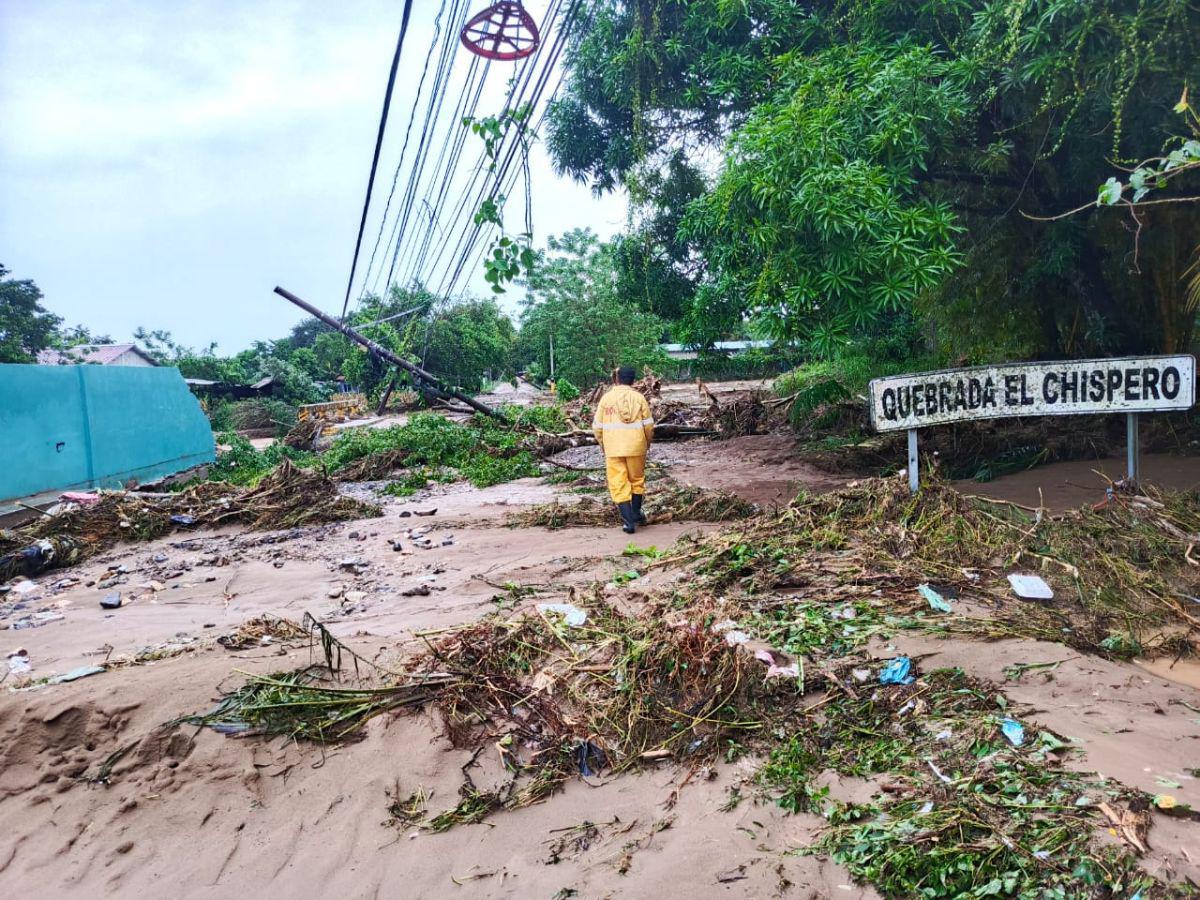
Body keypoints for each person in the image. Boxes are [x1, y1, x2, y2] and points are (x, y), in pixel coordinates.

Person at [592, 366, 654, 533]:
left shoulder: (606, 399)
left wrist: (602, 444)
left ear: (617, 379)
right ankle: (636, 514)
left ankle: (628, 523)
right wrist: (647, 443)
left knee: (618, 483)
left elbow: (597, 427)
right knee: (637, 480)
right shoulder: (639, 398)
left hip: (613, 449)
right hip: (637, 447)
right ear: (633, 381)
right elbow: (649, 426)